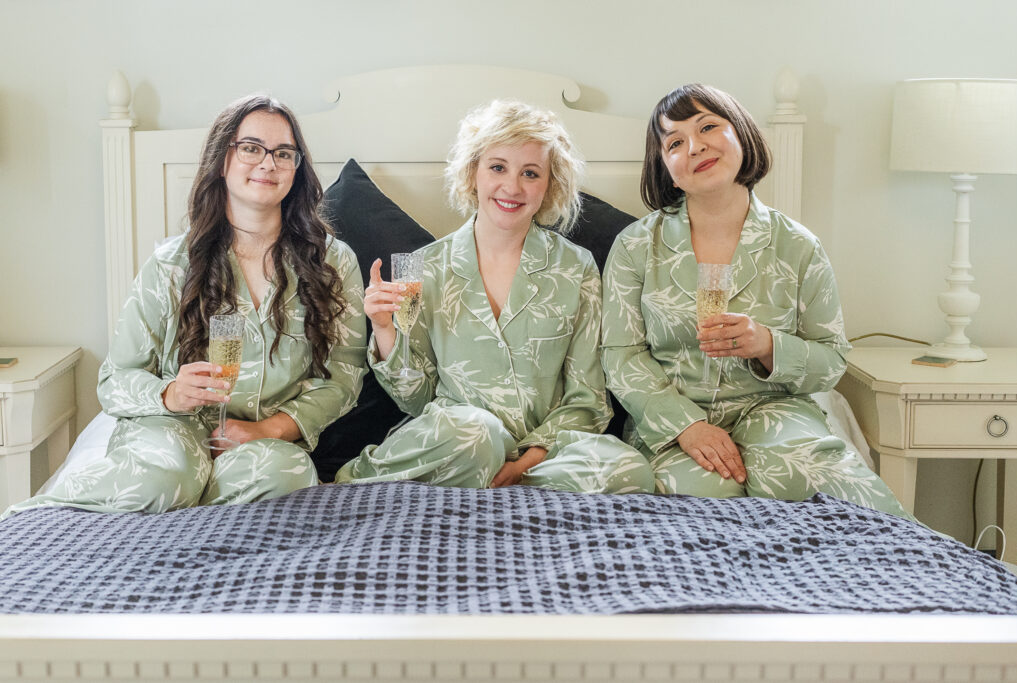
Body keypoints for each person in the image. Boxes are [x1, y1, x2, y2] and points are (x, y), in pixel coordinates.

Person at [2, 94, 366, 520]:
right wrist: (170, 394)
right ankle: (34, 516)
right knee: (171, 476)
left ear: (296, 168)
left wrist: (271, 429)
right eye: (250, 148)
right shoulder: (172, 264)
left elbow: (343, 376)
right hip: (170, 430)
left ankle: (184, 517)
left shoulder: (333, 262)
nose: (268, 164)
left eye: (283, 153)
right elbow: (115, 378)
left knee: (287, 473)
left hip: (261, 439)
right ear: (221, 159)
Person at [601, 84, 909, 517]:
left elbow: (832, 361)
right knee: (703, 499)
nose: (695, 146)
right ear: (665, 168)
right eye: (675, 142)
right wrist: (686, 427)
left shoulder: (798, 246)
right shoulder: (635, 246)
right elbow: (621, 354)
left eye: (708, 126)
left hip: (775, 409)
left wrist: (768, 345)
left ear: (742, 135)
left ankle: (916, 568)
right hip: (675, 419)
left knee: (810, 472)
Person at [335, 100, 654, 494]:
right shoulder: (425, 267)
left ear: (549, 186)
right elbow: (414, 401)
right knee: (475, 433)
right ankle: (373, 478)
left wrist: (526, 463)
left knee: (629, 468)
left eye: (531, 173)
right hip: (458, 440)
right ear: (473, 173)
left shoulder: (577, 267)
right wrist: (384, 329)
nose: (513, 187)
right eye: (498, 167)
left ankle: (495, 488)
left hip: (546, 456)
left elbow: (587, 398)